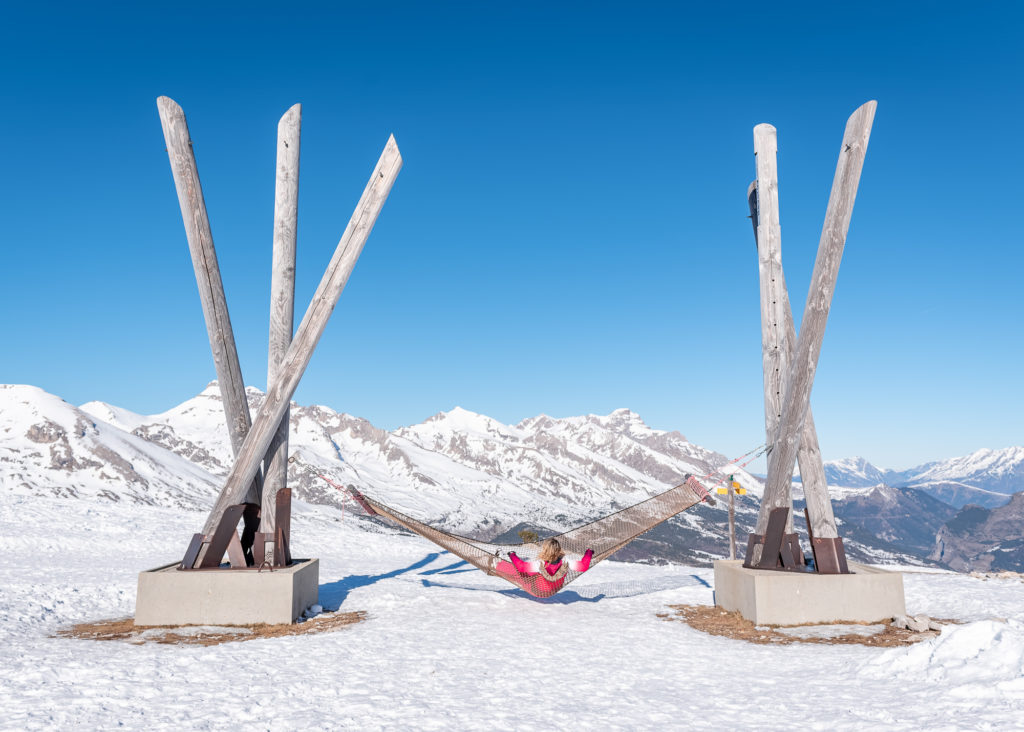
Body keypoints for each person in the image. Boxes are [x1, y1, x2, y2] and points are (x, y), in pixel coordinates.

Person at [495, 538, 594, 596]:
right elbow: (583, 566)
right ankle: (501, 560)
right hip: (554, 589)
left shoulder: (540, 564)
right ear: (558, 549)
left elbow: (521, 567)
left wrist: (512, 555)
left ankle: (498, 564)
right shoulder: (565, 561)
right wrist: (588, 553)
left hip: (537, 589)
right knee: (528, 570)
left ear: (545, 549)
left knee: (521, 572)